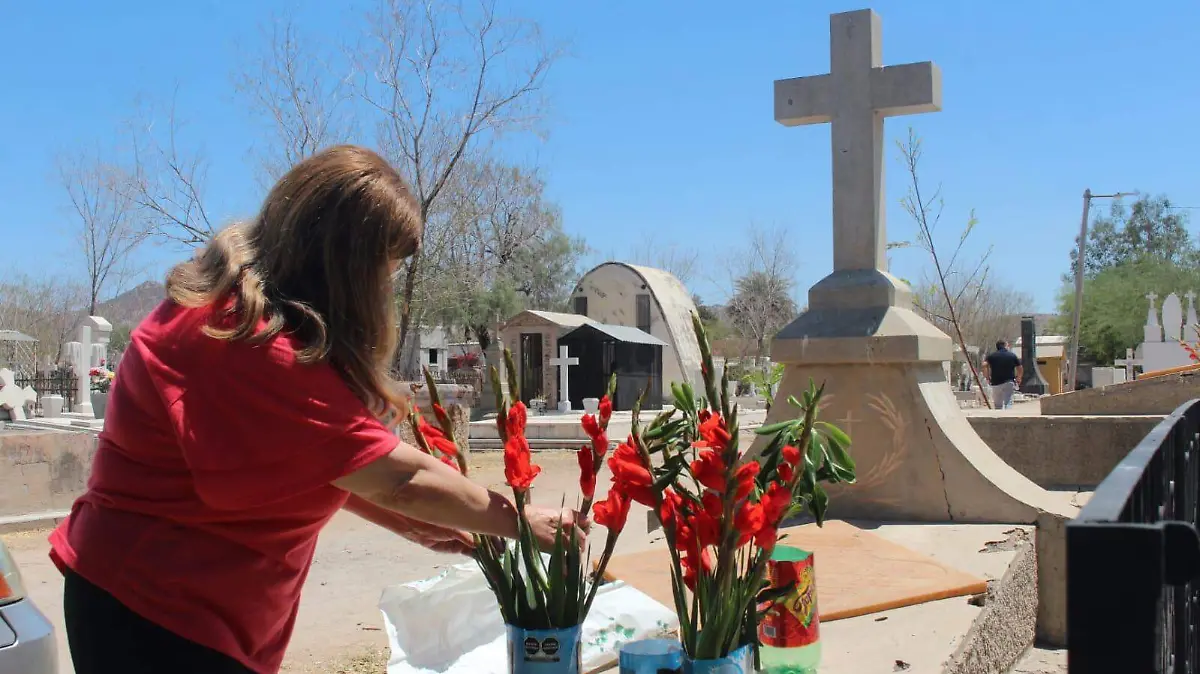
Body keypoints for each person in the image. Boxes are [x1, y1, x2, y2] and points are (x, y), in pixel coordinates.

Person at [48, 146, 582, 674]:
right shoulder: (245, 343)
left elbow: (302, 461)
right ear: (343, 268)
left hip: (171, 606)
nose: (387, 289)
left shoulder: (237, 316)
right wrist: (520, 520)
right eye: (385, 271)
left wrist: (405, 522)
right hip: (153, 613)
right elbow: (398, 478)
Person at [983, 340, 1023, 409]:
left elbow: (984, 365)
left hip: (996, 383)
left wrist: (987, 377)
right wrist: (1019, 377)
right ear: (1005, 346)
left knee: (998, 405)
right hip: (1009, 382)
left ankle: (998, 416)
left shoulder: (992, 356)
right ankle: (1008, 416)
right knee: (1008, 402)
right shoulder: (1012, 355)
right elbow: (1019, 367)